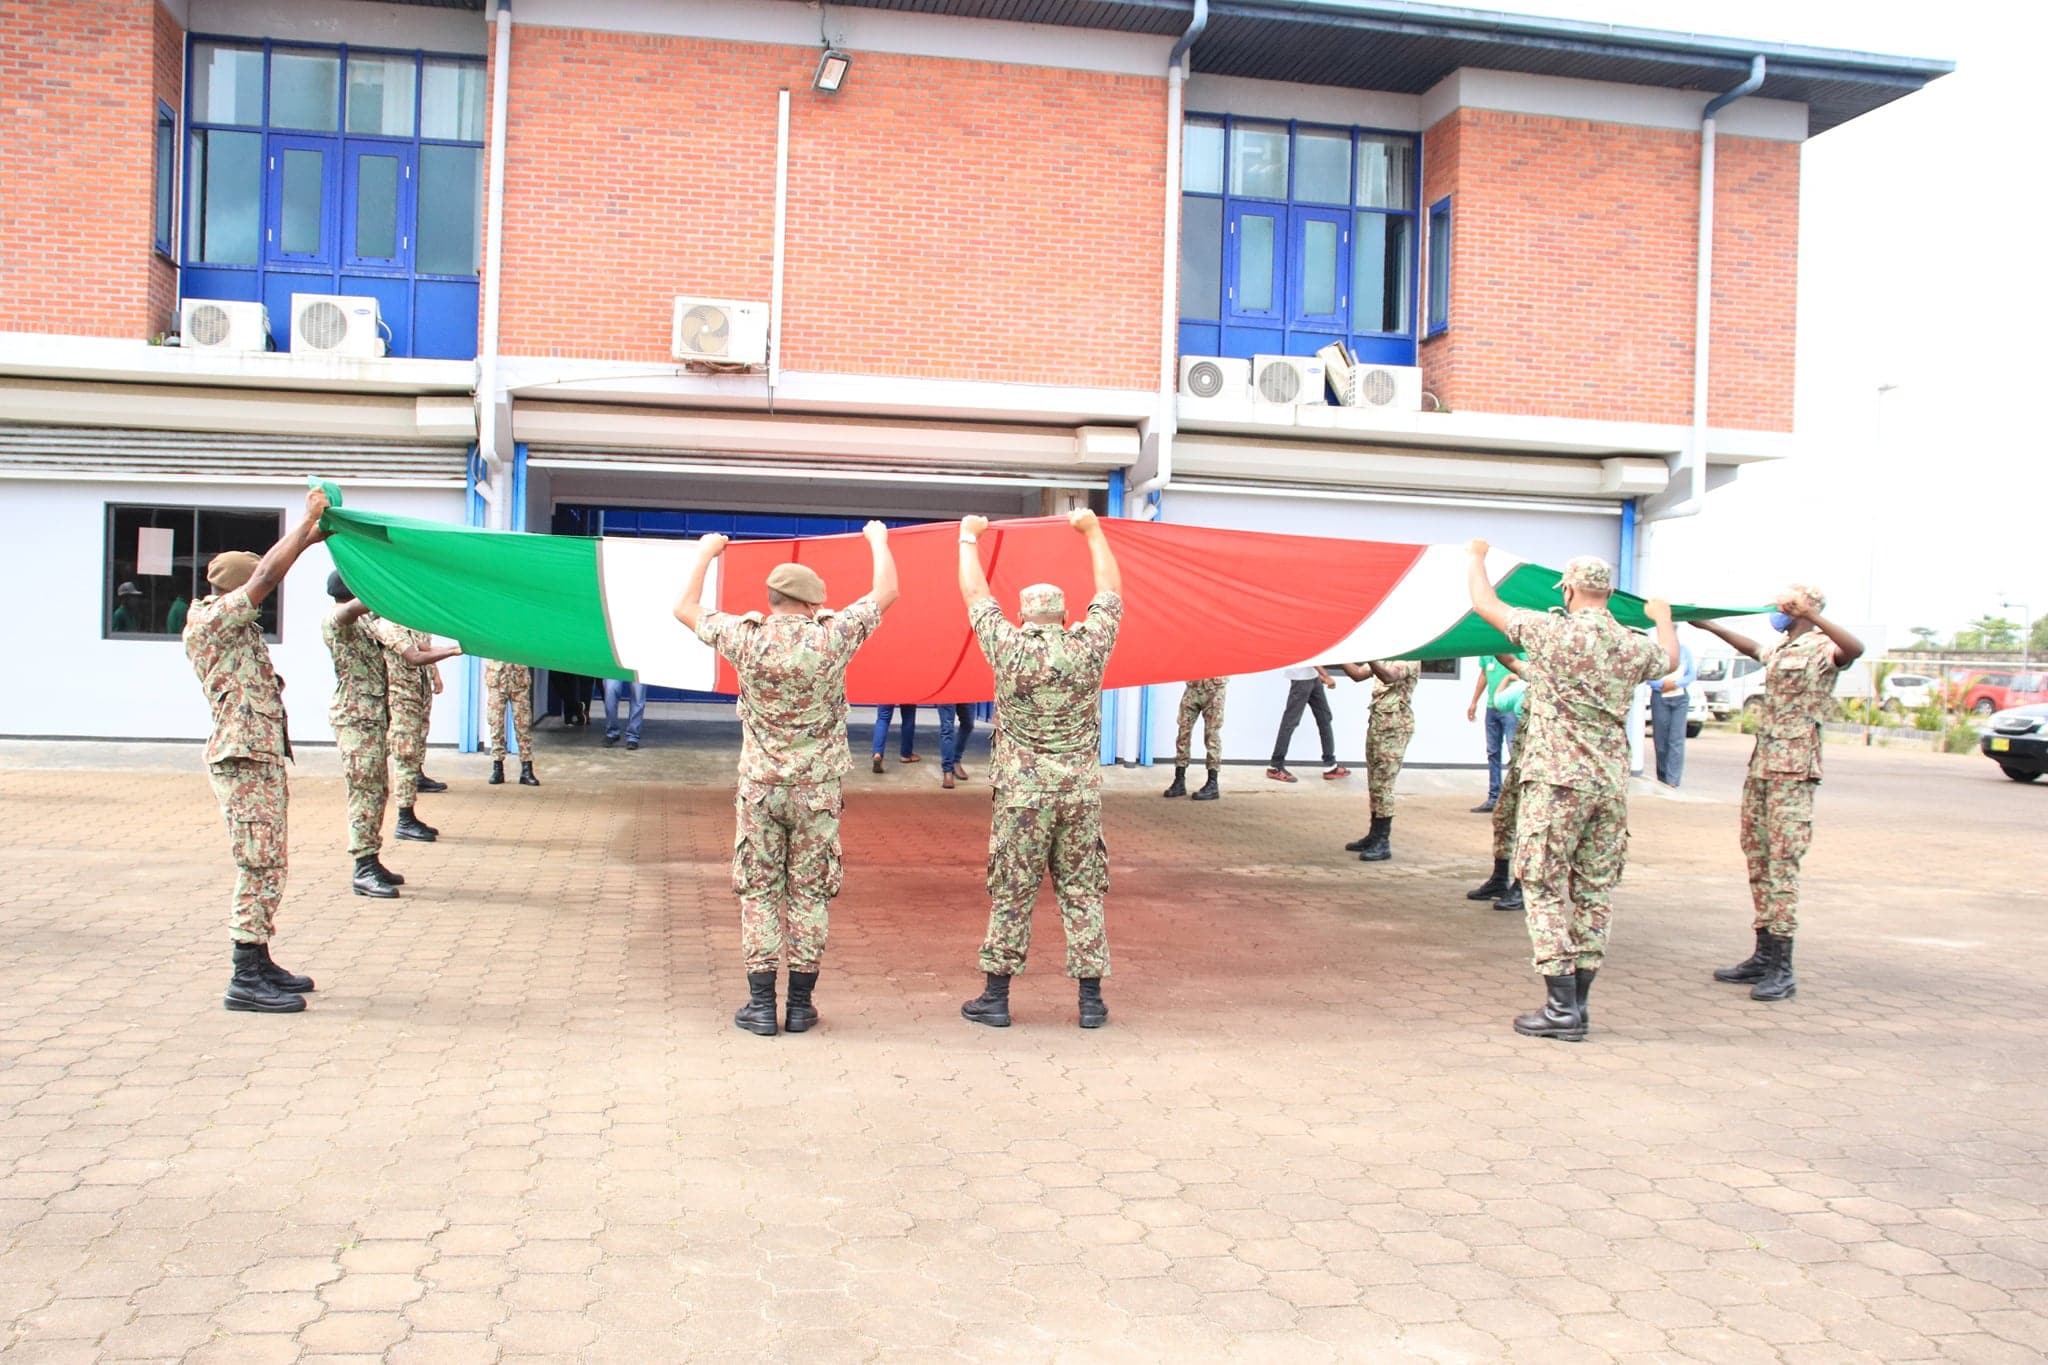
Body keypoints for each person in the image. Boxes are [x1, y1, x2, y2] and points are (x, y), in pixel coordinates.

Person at [675, 524, 898, 1037]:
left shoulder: (745, 637)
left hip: (760, 788)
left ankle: (759, 1007)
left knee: (759, 893)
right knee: (808, 896)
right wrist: (877, 540)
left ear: (771, 599)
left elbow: (684, 608)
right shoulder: (833, 635)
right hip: (817, 792)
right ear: (814, 603)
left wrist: (706, 551)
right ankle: (800, 1006)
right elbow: (887, 592)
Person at [1467, 545, 1675, 1042]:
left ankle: (1560, 1009)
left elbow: (1484, 604)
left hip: (1558, 782)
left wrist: (1476, 558)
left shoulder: (1552, 632)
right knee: (1594, 891)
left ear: (1567, 588)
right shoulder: (1632, 643)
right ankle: (1578, 1005)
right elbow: (1668, 661)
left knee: (1539, 884)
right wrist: (1663, 617)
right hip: (1608, 784)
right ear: (1606, 592)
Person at [958, 509, 1122, 1031]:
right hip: (1078, 793)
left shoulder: (1007, 647)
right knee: (1082, 890)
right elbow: (1111, 591)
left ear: (1024, 614)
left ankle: (997, 998)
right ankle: (1091, 1002)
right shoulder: (1089, 646)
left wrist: (968, 538)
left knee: (1013, 890)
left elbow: (974, 595)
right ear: (1064, 612)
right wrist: (1093, 532)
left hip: (1022, 795)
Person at [182, 487, 329, 1013]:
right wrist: (305, 522)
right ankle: (245, 975)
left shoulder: (227, 622)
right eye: (254, 586)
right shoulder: (213, 621)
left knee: (270, 861)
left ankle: (259, 957)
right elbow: (267, 575)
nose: (263, 596)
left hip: (255, 756)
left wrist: (313, 538)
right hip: (241, 759)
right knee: (258, 863)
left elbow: (269, 572)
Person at [1696, 586, 1863, 1003]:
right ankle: (1763, 954)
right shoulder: (1785, 647)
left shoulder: (1824, 647)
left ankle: (1783, 968)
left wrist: (1814, 616)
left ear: (1802, 609)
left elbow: (1855, 649)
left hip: (1793, 769)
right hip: (1763, 765)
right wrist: (1709, 625)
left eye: (1784, 606)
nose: (1776, 611)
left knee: (1783, 864)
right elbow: (1753, 648)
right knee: (1757, 856)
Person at [322, 573, 404, 900]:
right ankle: (363, 867)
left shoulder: (367, 625)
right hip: (356, 722)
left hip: (371, 720)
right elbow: (347, 612)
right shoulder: (335, 620)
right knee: (363, 791)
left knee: (376, 790)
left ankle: (372, 857)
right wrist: (380, 584)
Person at [367, 616, 460, 841]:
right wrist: (454, 651)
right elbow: (415, 656)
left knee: (412, 753)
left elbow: (424, 647)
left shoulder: (406, 622)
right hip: (400, 701)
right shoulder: (388, 625)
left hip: (415, 696)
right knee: (405, 756)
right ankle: (404, 820)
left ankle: (409, 815)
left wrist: (446, 657)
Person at [1467, 655, 1531, 913]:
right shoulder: (1526, 687)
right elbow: (1502, 700)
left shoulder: (1561, 683)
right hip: (1521, 765)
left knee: (1531, 827)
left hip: (1543, 769)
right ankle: (1499, 878)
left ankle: (1524, 884)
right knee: (1504, 817)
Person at [1338, 661, 1420, 861]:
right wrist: (1341, 656)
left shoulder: (1411, 657)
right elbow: (1357, 674)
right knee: (1374, 783)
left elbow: (1389, 676)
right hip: (1378, 723)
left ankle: (1383, 842)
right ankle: (1374, 835)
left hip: (1395, 727)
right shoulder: (1384, 655)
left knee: (1384, 784)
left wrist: (1372, 656)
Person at [1266, 665, 1349, 783]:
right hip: (1301, 678)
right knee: (1290, 722)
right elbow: (1311, 654)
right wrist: (1325, 675)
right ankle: (1275, 766)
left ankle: (1331, 766)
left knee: (1324, 718)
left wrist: (1319, 675)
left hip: (1312, 676)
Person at [1467, 652, 1525, 812]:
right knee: (1493, 752)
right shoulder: (1487, 652)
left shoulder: (1515, 648)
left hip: (1509, 706)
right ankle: (1494, 798)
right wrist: (1474, 702)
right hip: (1492, 706)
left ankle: (1518, 799)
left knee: (1515, 752)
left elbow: (1524, 669)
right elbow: (1484, 674)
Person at [1163, 678, 1226, 801]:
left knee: (1211, 735)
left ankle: (1212, 783)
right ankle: (1179, 780)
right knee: (1183, 732)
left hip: (1214, 688)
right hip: (1193, 687)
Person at [1649, 639, 1696, 788]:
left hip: (1680, 697)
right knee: (1661, 739)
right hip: (1660, 696)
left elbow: (1691, 674)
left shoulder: (1684, 650)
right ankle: (1662, 777)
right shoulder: (1655, 649)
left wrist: (1675, 684)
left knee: (1676, 739)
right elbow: (1649, 676)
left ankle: (1673, 780)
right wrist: (1662, 685)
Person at [485, 659, 540, 786]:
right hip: (497, 677)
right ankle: (497, 768)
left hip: (518, 677)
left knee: (523, 725)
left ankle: (527, 770)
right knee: (496, 724)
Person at [869, 704, 920, 773]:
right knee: (908, 718)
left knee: (883, 718)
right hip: (907, 693)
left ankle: (877, 754)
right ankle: (906, 755)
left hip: (886, 693)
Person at [936, 700, 973, 789]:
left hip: (966, 690)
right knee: (947, 728)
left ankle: (955, 760)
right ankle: (947, 770)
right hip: (946, 691)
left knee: (968, 724)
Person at [602, 677, 647, 749]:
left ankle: (633, 736)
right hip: (615, 666)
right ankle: (612, 732)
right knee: (610, 691)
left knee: (638, 695)